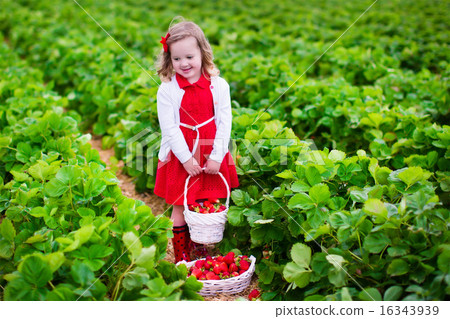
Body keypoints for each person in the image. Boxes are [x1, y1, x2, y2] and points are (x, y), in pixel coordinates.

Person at [153, 20, 240, 263]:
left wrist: (216, 156)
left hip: (209, 148)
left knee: (204, 200)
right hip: (182, 152)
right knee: (181, 204)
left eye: (190, 56)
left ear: (203, 52)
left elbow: (225, 122)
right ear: (169, 60)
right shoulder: (167, 89)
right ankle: (181, 252)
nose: (184, 64)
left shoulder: (218, 85)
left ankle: (202, 247)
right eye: (177, 59)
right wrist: (186, 159)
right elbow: (169, 128)